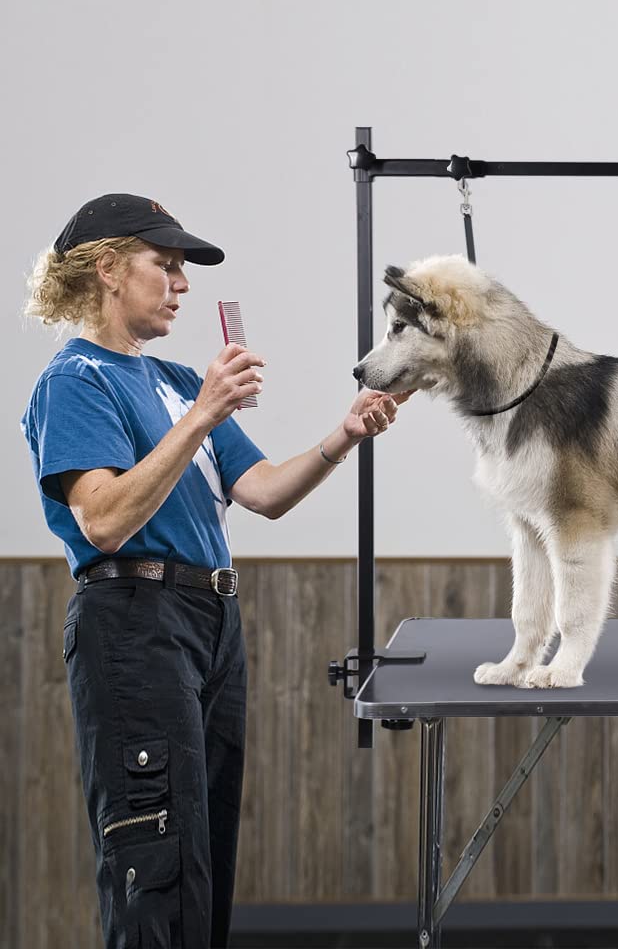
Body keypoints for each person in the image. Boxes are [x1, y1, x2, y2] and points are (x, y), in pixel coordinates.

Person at [19, 193, 410, 948]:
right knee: (153, 850)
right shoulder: (77, 382)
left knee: (202, 849)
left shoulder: (169, 379)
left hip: (212, 622)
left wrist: (346, 432)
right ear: (105, 269)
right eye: (163, 265)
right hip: (135, 620)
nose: (182, 283)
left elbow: (262, 493)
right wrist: (202, 414)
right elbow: (102, 521)